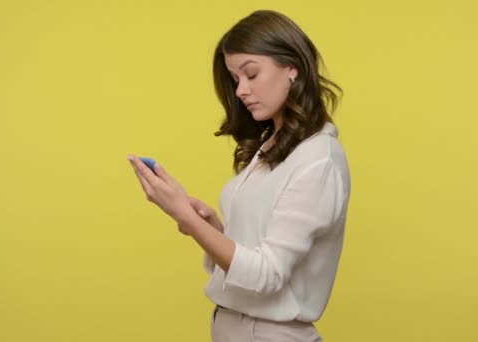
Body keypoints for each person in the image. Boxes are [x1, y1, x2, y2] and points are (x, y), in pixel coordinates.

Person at [127, 9, 350, 342]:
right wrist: (212, 226)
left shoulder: (318, 159)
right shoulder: (273, 146)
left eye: (251, 74)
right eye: (236, 79)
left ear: (292, 68)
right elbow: (256, 251)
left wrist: (186, 217)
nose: (242, 90)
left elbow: (267, 275)